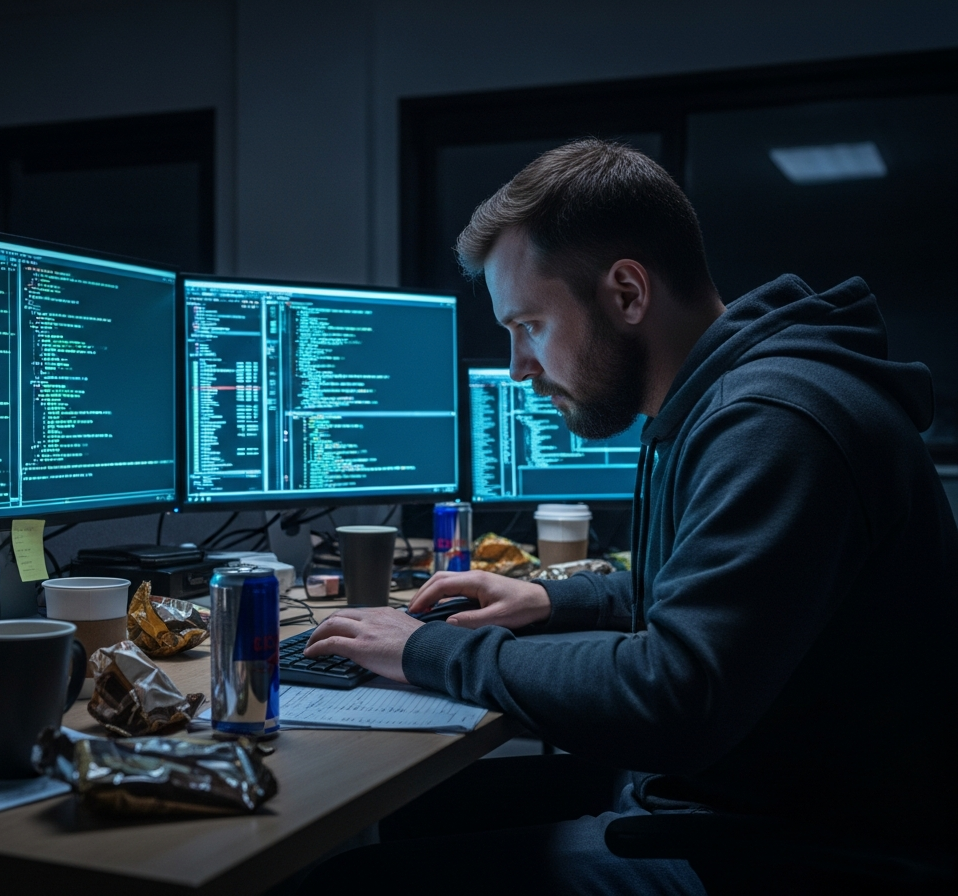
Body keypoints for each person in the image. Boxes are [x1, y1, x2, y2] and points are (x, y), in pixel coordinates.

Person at [299, 139, 957, 894]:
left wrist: (428, 650)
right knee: (412, 813)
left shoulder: (775, 423)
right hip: (750, 799)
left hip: (799, 854)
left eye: (529, 325)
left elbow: (673, 693)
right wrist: (551, 599)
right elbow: (722, 596)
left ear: (627, 294)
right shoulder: (733, 398)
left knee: (342, 884)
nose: (518, 367)